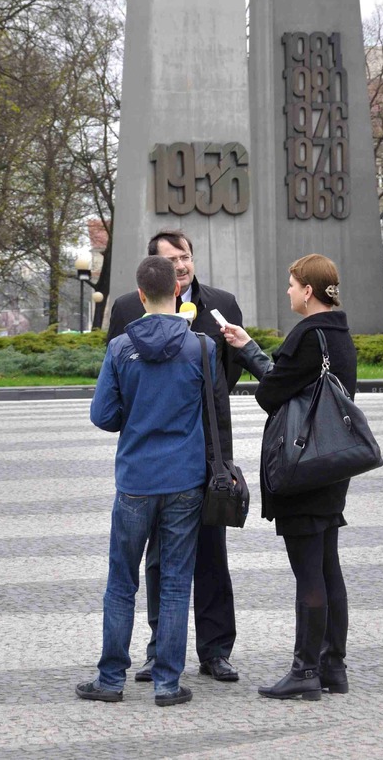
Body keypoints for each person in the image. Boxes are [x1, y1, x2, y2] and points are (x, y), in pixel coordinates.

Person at [76, 255, 228, 707]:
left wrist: (135, 414)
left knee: (122, 581)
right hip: (185, 479)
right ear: (178, 293)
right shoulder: (202, 347)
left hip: (136, 480)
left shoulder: (121, 348)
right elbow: (211, 408)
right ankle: (166, 682)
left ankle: (110, 679)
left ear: (140, 295)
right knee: (178, 580)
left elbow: (102, 415)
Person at [106, 229, 243, 683]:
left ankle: (215, 648)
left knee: (211, 554)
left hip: (208, 450)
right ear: (156, 269)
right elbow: (120, 379)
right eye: (171, 259)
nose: (181, 265)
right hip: (159, 455)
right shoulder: (127, 309)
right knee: (161, 559)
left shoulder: (221, 305)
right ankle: (159, 652)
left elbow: (228, 376)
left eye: (185, 256)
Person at [221, 254, 356, 701]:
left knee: (308, 573)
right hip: (332, 463)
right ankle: (332, 666)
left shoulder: (307, 337)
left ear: (309, 292)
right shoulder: (338, 334)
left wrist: (250, 355)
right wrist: (248, 346)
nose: (289, 291)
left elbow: (271, 392)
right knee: (327, 565)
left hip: (303, 467)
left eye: (292, 284)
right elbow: (289, 381)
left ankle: (304, 671)